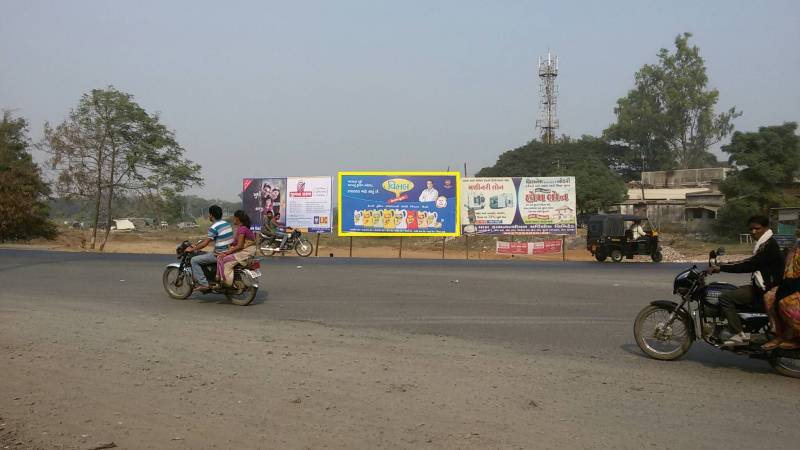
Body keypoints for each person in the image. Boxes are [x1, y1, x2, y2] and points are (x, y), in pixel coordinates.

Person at [710, 215, 784, 346]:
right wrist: (723, 264)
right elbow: (749, 262)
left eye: (757, 228)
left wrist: (721, 267)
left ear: (766, 228)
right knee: (734, 290)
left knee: (726, 298)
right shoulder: (765, 243)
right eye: (751, 229)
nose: (753, 232)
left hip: (764, 289)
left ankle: (736, 333)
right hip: (762, 286)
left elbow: (749, 264)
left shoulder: (768, 245)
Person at [762, 228, 800, 350]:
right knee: (769, 297)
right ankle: (780, 334)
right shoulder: (797, 244)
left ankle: (797, 338)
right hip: (791, 283)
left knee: (786, 302)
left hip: (795, 285)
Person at [186, 205, 235, 291]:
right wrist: (197, 244)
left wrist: (193, 249)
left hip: (219, 254)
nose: (209, 216)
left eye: (209, 214)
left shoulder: (214, 227)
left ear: (211, 215)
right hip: (230, 251)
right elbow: (210, 239)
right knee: (207, 253)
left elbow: (206, 243)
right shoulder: (226, 224)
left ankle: (204, 284)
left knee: (194, 260)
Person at [216, 210, 257, 287]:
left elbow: (240, 245)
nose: (233, 220)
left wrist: (226, 253)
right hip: (249, 253)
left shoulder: (242, 229)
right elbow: (235, 242)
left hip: (245, 253)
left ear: (237, 219)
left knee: (222, 259)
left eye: (234, 218)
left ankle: (225, 281)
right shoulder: (244, 228)